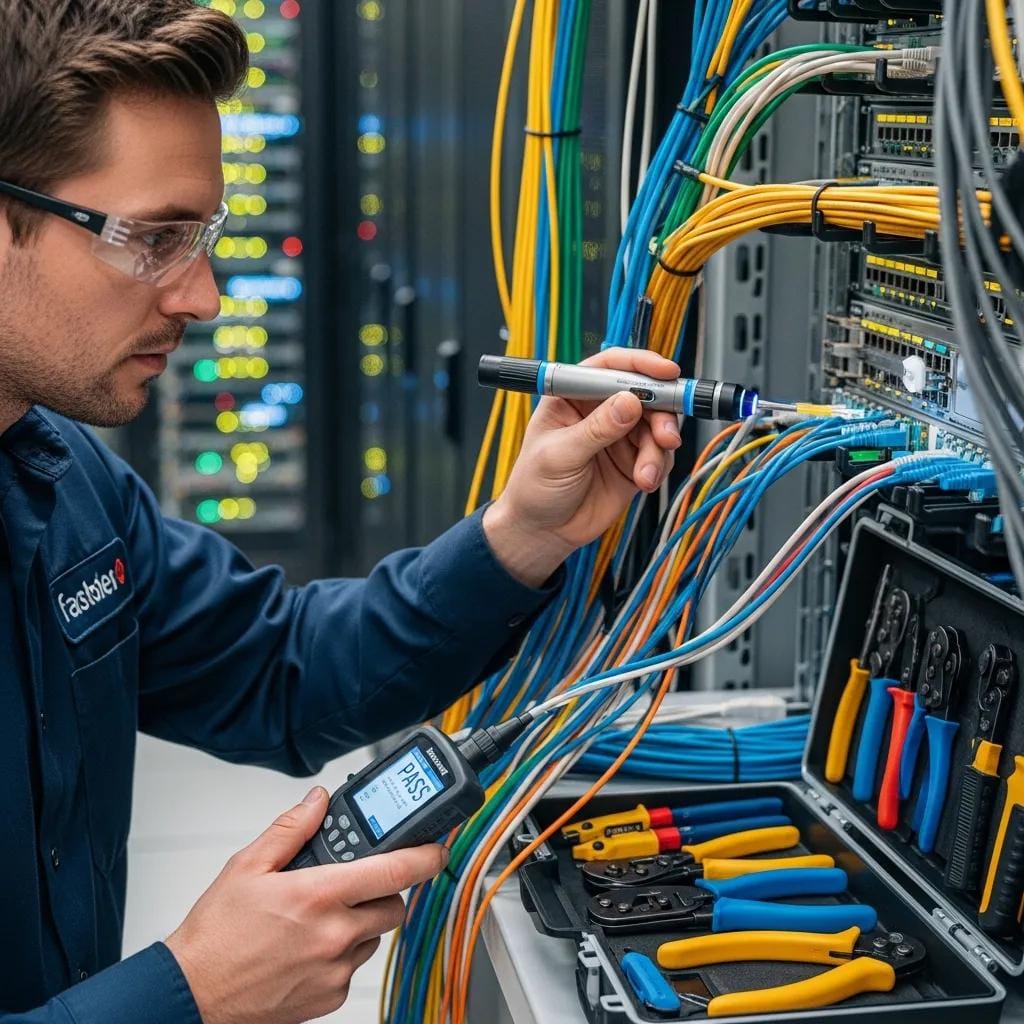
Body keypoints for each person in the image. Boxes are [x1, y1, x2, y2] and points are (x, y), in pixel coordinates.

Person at [0, 3, 681, 1022]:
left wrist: (520, 535)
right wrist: (191, 996)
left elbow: (285, 670)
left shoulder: (66, 488)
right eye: (154, 239)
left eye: (205, 236)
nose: (204, 295)